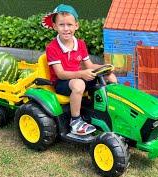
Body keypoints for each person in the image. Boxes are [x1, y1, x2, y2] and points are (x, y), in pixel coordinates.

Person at [42, 4, 117, 136]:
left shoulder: (80, 44)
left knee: (110, 77)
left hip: (79, 77)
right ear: (55, 27)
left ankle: (112, 108)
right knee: (79, 84)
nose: (66, 29)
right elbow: (61, 74)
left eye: (69, 25)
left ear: (76, 25)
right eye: (61, 25)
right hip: (62, 82)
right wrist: (82, 74)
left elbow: (89, 66)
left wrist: (105, 67)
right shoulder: (52, 48)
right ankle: (75, 121)